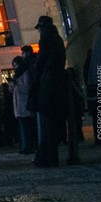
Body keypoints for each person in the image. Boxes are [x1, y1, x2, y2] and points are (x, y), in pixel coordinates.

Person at [30, 15, 67, 167]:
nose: (38, 31)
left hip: (48, 85)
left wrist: (36, 70)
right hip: (56, 83)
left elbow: (41, 62)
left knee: (48, 124)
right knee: (51, 124)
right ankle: (46, 156)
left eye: (39, 28)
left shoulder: (46, 39)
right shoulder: (57, 39)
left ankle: (48, 158)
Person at [10, 55, 36, 154]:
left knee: (27, 128)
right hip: (18, 105)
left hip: (24, 104)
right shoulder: (17, 75)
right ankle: (24, 146)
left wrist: (16, 84)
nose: (15, 67)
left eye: (16, 65)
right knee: (21, 128)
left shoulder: (25, 74)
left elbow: (27, 88)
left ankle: (29, 146)